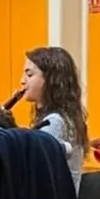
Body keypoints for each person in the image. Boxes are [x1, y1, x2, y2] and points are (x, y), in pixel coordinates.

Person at [21, 46, 89, 190]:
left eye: (29, 75)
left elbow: (35, 173)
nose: (22, 81)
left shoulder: (55, 122)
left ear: (51, 80)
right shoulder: (66, 117)